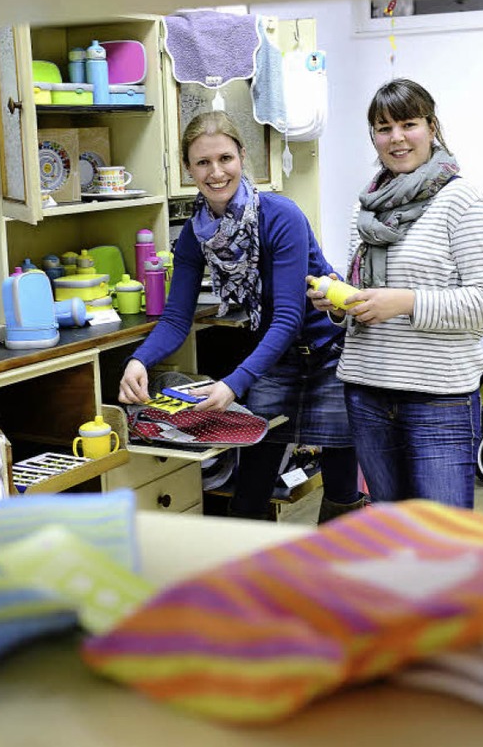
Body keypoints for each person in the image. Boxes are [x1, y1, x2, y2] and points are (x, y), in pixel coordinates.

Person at [119, 110, 362, 522]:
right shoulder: (197, 236)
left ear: (242, 157)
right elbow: (178, 318)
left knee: (340, 487)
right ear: (188, 169)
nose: (216, 172)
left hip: (329, 356)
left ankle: (339, 580)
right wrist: (139, 360)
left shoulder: (280, 216)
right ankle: (249, 577)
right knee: (250, 488)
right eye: (202, 162)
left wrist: (234, 385)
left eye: (225, 159)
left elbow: (287, 317)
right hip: (274, 360)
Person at [307, 78, 483, 509]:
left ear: (432, 127)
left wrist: (406, 302)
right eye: (383, 128)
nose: (396, 138)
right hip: (367, 390)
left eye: (408, 124)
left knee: (443, 541)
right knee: (392, 532)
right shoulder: (366, 207)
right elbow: (363, 292)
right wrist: (339, 306)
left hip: (439, 399)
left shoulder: (464, 201)